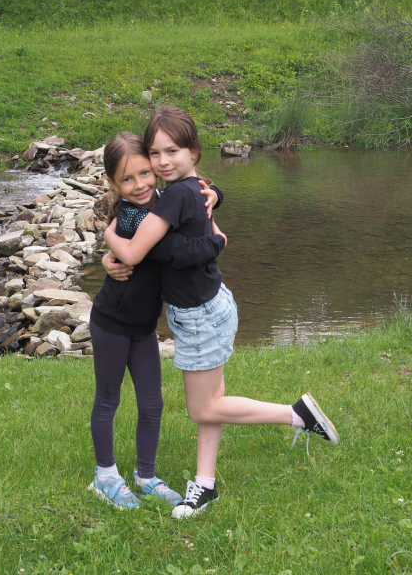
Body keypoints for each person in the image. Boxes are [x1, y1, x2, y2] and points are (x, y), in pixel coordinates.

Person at [104, 106, 341, 519]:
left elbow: (137, 251)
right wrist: (215, 204)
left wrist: (108, 235)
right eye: (155, 153)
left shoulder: (175, 196)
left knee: (202, 408)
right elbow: (201, 221)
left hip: (200, 315)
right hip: (210, 305)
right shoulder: (190, 188)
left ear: (193, 151)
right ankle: (205, 485)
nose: (161, 162)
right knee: (211, 401)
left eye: (171, 151)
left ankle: (296, 415)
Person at [88, 132, 227, 510]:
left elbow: (196, 193)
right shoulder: (135, 216)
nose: (140, 185)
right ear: (113, 183)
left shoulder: (165, 201)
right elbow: (178, 250)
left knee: (152, 403)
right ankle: (105, 476)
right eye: (127, 179)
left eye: (145, 173)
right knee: (108, 399)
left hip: (144, 326)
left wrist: (215, 195)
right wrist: (217, 242)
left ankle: (145, 477)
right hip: (112, 322)